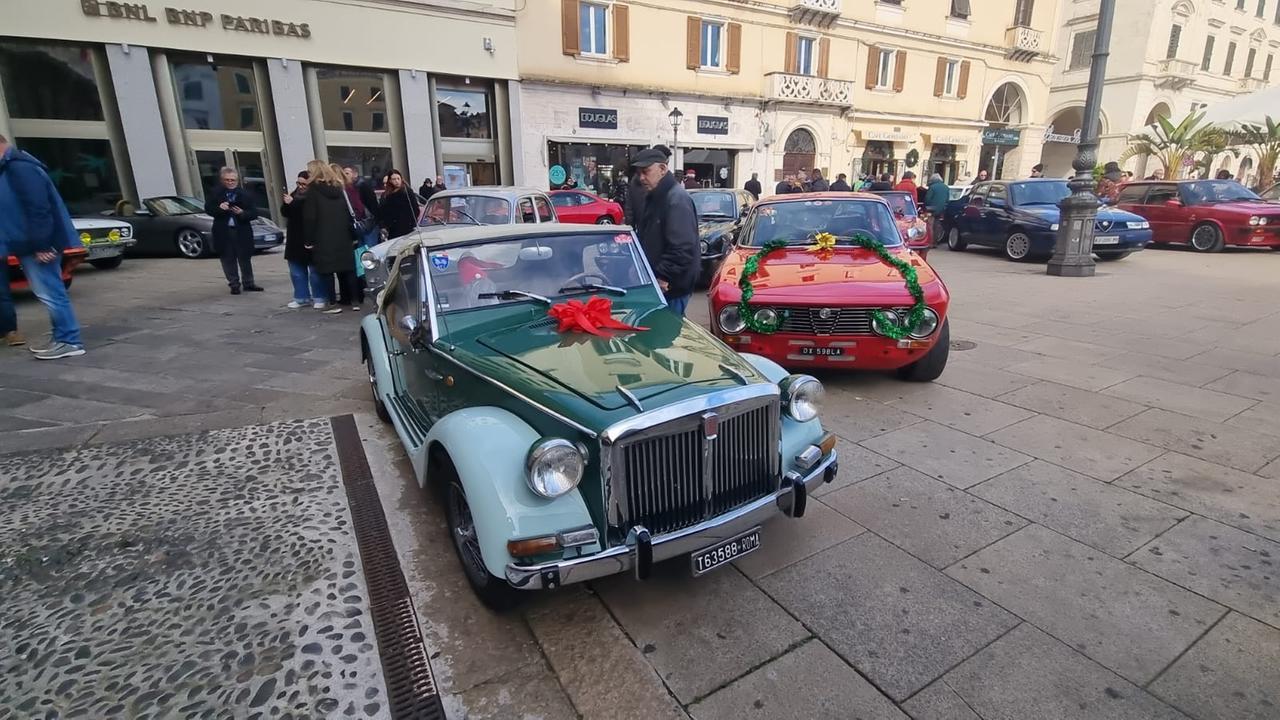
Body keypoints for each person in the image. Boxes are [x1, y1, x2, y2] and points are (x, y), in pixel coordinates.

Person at [0, 134, 86, 358]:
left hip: (36, 244)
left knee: (51, 293)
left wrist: (42, 245)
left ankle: (69, 341)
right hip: (30, 243)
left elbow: (38, 208)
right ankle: (62, 337)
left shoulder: (19, 168)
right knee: (49, 292)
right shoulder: (14, 166)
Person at [630, 148, 698, 317]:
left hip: (670, 287)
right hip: (660, 284)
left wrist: (663, 277)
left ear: (662, 169)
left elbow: (682, 247)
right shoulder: (657, 195)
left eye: (646, 171)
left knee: (666, 329)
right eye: (639, 173)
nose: (641, 178)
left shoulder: (676, 199)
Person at [304, 161, 359, 314]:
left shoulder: (313, 191)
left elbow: (310, 217)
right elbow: (348, 212)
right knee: (348, 269)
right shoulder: (338, 188)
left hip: (323, 236)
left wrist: (308, 240)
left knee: (327, 271)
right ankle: (354, 301)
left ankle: (333, 303)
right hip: (343, 235)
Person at [205, 166, 262, 295]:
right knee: (227, 258)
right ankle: (234, 284)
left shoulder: (245, 194)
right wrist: (219, 208)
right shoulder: (215, 194)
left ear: (237, 180)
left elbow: (254, 213)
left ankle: (249, 283)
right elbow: (208, 209)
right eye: (227, 180)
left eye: (233, 180)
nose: (230, 182)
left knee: (245, 258)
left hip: (241, 230)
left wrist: (242, 213)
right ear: (222, 180)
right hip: (223, 231)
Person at [281, 170, 327, 310]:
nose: (300, 186)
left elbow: (308, 214)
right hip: (294, 238)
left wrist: (293, 203)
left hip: (310, 237)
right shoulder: (294, 194)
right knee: (296, 271)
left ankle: (319, 297)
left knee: (315, 272)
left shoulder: (314, 197)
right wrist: (287, 204)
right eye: (298, 183)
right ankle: (301, 297)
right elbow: (285, 212)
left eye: (303, 184)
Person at [379, 169, 420, 240]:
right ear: (390, 180)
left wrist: (411, 223)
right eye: (394, 179)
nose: (397, 181)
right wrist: (384, 225)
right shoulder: (387, 194)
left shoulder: (407, 191)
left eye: (398, 178)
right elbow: (384, 211)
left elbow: (415, 209)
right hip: (392, 229)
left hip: (406, 227)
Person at [923, 173, 950, 243]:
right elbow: (947, 199)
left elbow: (927, 199)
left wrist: (925, 206)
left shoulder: (932, 187)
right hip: (941, 209)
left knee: (930, 225)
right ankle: (935, 242)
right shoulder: (946, 187)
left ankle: (930, 242)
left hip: (931, 209)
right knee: (937, 225)